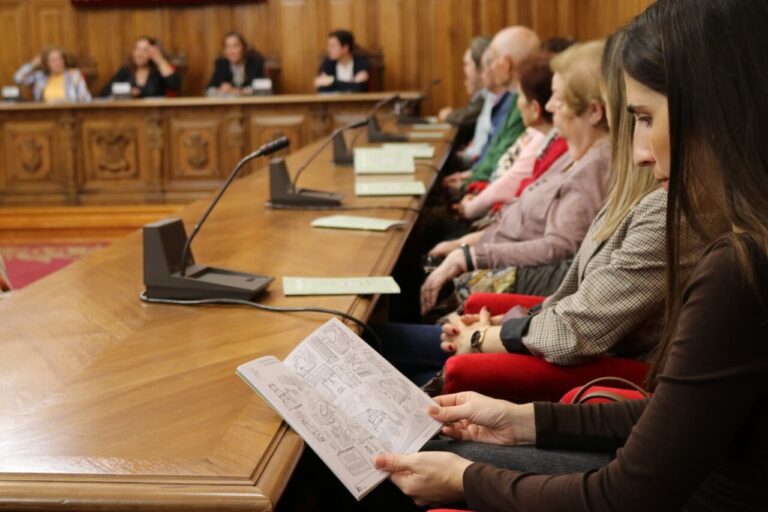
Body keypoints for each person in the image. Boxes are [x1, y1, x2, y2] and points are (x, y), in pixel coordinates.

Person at [376, 0, 768, 509]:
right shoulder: (740, 251)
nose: (641, 151)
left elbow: (626, 493)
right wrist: (519, 421)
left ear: (716, 112)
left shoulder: (738, 267)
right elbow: (670, 413)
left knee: (411, 456)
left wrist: (464, 479)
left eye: (647, 118)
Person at [422, 41, 610, 315]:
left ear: (593, 111)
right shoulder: (575, 153)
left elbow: (559, 247)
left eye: (557, 98)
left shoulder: (595, 165)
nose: (548, 106)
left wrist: (468, 255)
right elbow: (515, 221)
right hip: (495, 258)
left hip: (517, 283)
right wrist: (465, 247)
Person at [458, 52, 566, 221]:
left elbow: (511, 186)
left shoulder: (551, 143)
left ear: (535, 108)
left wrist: (465, 243)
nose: (517, 103)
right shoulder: (541, 136)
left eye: (521, 96)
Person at [442, 26, 540, 196]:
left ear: (506, 63)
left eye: (492, 60)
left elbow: (502, 163)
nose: (490, 68)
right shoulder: (514, 98)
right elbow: (496, 151)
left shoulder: (522, 103)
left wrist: (470, 184)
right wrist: (472, 176)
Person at [99, 36, 180, 98]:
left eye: (145, 50)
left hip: (156, 115)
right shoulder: (125, 70)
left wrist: (159, 60)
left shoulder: (158, 71)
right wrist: (127, 92)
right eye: (137, 49)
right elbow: (103, 94)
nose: (139, 54)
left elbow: (174, 85)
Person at [437, 36, 491, 127]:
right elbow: (469, 110)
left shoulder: (491, 95)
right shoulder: (485, 95)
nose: (464, 70)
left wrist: (449, 115)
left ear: (481, 66)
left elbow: (468, 116)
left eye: (467, 64)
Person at [14, 46, 91, 103]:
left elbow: (85, 98)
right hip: (45, 115)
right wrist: (32, 64)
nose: (57, 63)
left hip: (68, 114)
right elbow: (18, 78)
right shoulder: (40, 77)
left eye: (60, 59)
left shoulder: (74, 74)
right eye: (53, 60)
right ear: (47, 63)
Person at [206, 31, 265, 96]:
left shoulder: (255, 63)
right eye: (228, 47)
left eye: (235, 46)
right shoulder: (221, 64)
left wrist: (241, 91)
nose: (231, 51)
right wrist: (219, 90)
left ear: (243, 47)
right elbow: (209, 89)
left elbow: (263, 89)